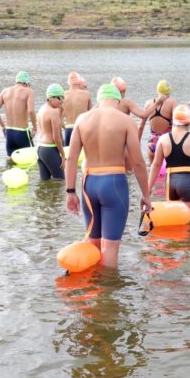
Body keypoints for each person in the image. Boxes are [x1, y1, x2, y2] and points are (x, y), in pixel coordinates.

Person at [65, 84, 151, 268]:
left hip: (88, 184)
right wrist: (146, 195)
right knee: (110, 247)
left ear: (99, 99)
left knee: (92, 240)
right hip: (113, 183)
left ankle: (93, 289)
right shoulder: (125, 121)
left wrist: (70, 192)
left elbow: (71, 158)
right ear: (117, 100)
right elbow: (137, 163)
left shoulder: (82, 119)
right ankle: (107, 294)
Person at [147, 105, 190, 219]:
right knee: (189, 221)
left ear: (173, 122)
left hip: (170, 182)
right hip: (188, 182)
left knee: (173, 219)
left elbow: (156, 165)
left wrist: (149, 188)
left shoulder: (163, 139)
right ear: (189, 122)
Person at [0, 71, 37, 159]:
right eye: (29, 84)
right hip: (22, 132)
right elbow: (31, 111)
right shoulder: (29, 92)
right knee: (30, 161)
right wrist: (35, 128)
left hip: (9, 133)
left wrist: (3, 126)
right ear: (26, 82)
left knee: (11, 161)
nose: (29, 86)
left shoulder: (5, 91)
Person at [139, 80, 177, 161]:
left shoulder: (148, 103)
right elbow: (176, 124)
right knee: (168, 172)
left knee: (153, 172)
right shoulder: (172, 102)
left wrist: (136, 143)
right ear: (169, 91)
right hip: (166, 142)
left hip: (152, 143)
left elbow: (141, 127)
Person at [36, 84, 67, 180]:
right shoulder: (53, 112)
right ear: (50, 98)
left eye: (63, 98)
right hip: (50, 150)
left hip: (40, 149)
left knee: (45, 183)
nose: (62, 101)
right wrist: (63, 155)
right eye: (59, 98)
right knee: (61, 181)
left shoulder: (42, 109)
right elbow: (56, 138)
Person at [63, 72, 91, 147]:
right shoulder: (87, 94)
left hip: (68, 128)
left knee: (68, 155)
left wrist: (64, 127)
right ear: (79, 82)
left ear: (69, 83)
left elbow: (59, 119)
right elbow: (90, 115)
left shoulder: (63, 95)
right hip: (81, 128)